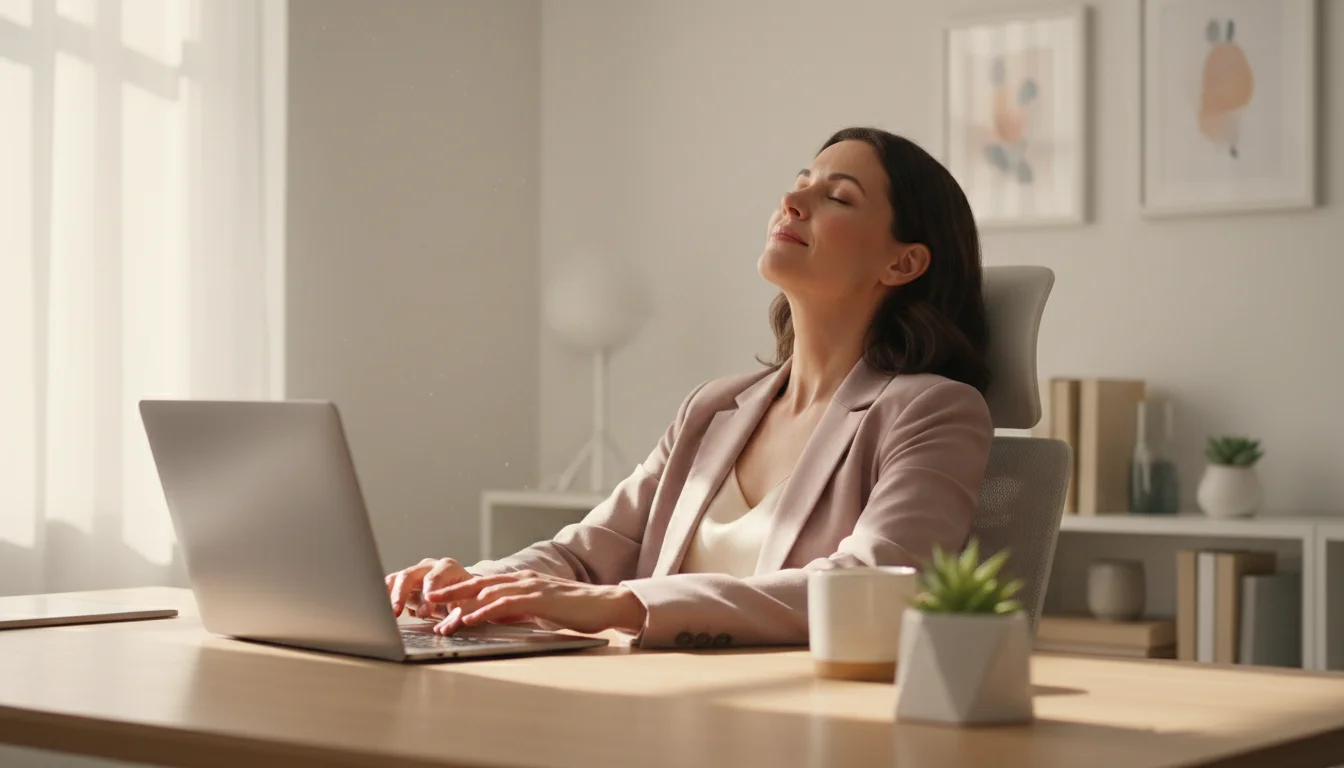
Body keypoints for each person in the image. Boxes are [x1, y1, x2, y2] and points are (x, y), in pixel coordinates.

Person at [385, 127, 993, 649]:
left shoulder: (933, 411)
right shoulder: (712, 409)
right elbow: (584, 555)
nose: (792, 199)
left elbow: (872, 583)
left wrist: (624, 606)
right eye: (801, 181)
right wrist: (474, 584)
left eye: (836, 196)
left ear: (903, 264)